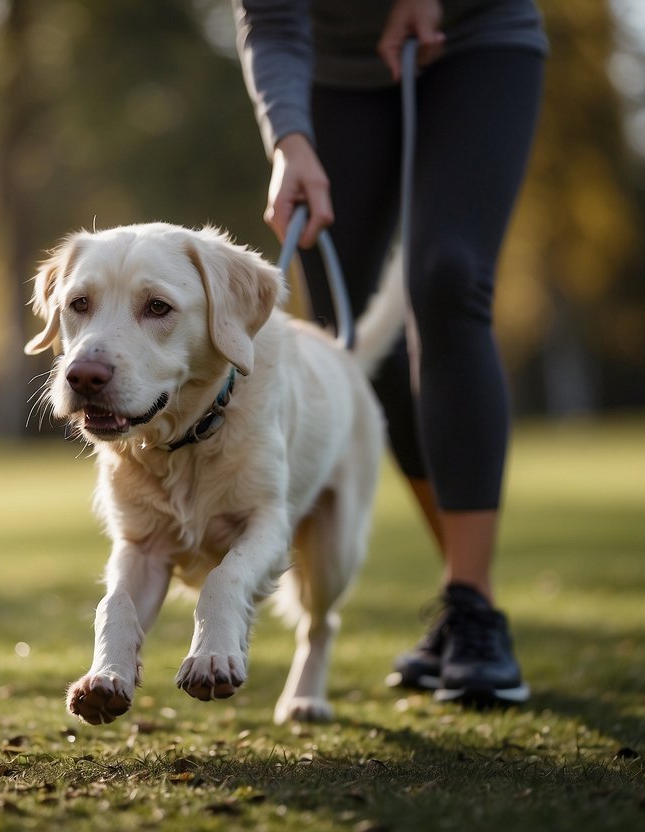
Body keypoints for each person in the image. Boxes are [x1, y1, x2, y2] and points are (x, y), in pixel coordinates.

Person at [232, 0, 546, 705]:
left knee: (447, 280)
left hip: (475, 39)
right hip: (333, 81)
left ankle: (469, 604)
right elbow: (273, 22)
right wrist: (289, 141)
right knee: (361, 356)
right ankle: (469, 599)